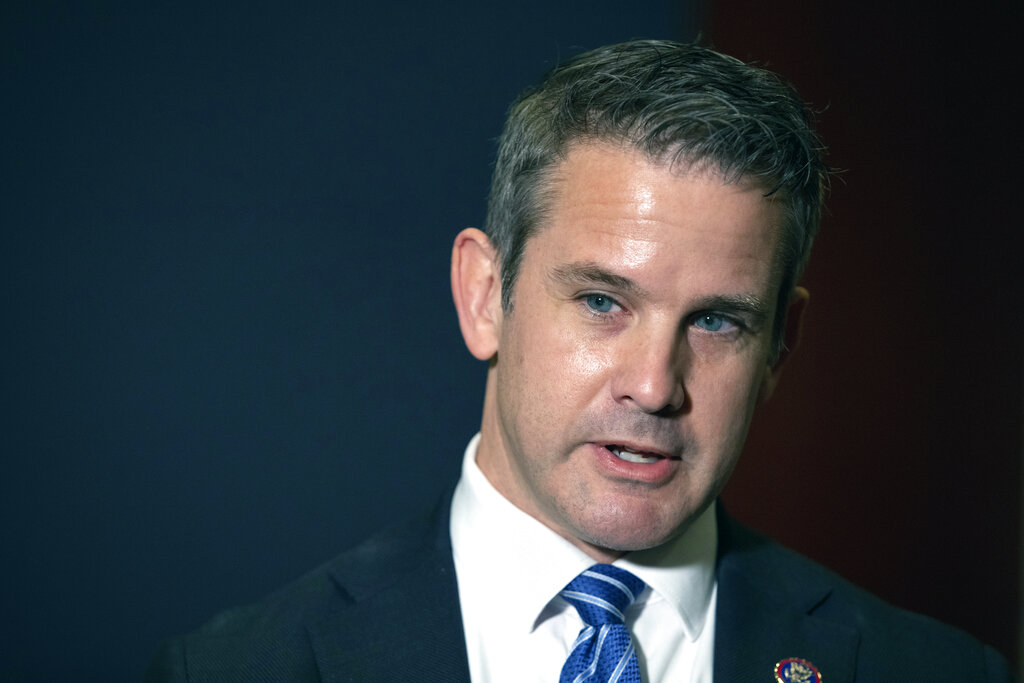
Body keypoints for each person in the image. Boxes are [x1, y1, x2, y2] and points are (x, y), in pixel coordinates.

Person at [146, 40, 1013, 682]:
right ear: (486, 295)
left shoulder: (940, 672)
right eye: (603, 301)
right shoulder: (236, 668)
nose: (653, 383)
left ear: (781, 344)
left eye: (716, 322)